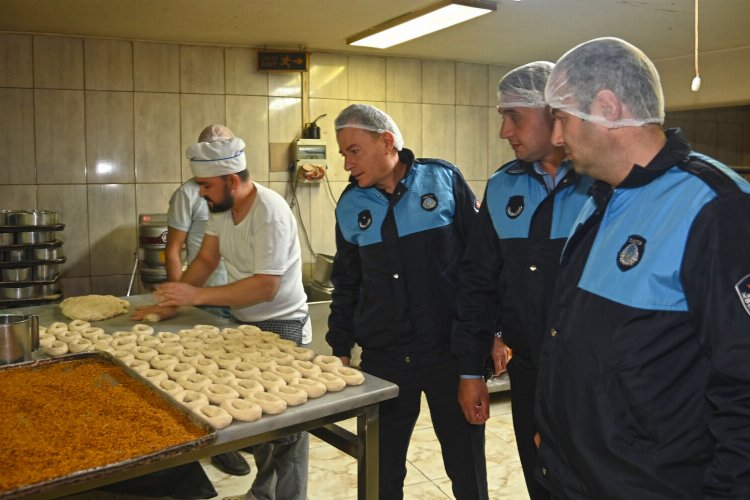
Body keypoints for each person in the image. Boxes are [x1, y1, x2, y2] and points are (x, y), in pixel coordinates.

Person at [534, 37, 750, 499]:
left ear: (607, 107)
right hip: (577, 479)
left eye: (561, 119)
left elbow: (743, 386)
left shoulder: (716, 208)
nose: (555, 137)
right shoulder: (599, 200)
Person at [134, 129, 311, 500]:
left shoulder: (270, 212)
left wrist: (195, 294)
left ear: (232, 180)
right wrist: (172, 304)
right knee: (260, 421)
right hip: (247, 322)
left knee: (285, 429)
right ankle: (263, 494)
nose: (200, 192)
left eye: (206, 185)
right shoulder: (222, 209)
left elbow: (266, 286)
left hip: (283, 323)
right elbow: (206, 259)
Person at [326, 104, 488, 500]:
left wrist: (492, 336)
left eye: (353, 150)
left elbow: (479, 267)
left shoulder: (443, 179)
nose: (346, 163)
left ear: (386, 141)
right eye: (343, 153)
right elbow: (347, 283)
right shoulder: (350, 204)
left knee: (467, 466)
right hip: (386, 357)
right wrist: (339, 348)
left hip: (450, 354)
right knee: (381, 472)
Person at [451, 61, 592, 500]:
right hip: (528, 371)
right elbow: (478, 283)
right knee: (540, 480)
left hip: (590, 377)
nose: (504, 131)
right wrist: (470, 369)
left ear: (555, 113)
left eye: (514, 117)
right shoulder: (503, 187)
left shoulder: (602, 185)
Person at [165, 125, 249, 477]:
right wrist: (176, 298)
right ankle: (216, 445)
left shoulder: (243, 196)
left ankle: (240, 436)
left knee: (237, 373)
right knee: (204, 375)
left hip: (239, 295)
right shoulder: (189, 194)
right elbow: (175, 250)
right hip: (204, 297)